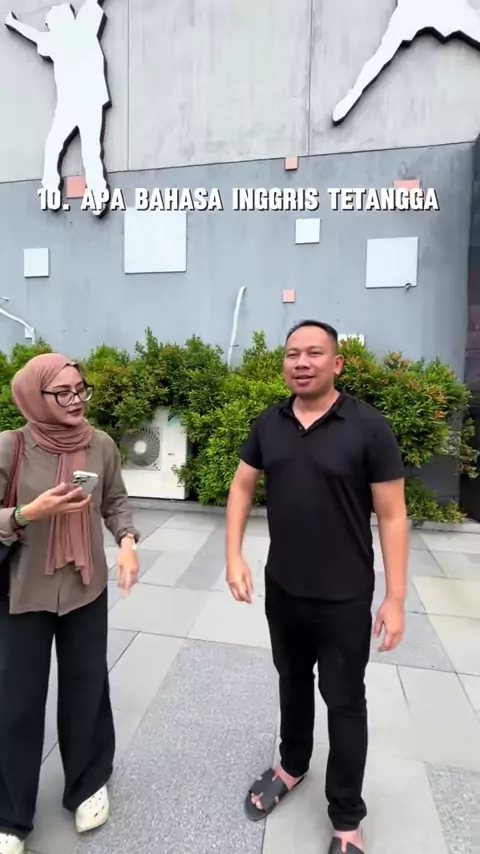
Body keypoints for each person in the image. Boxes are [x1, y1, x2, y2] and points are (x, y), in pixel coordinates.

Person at [226, 321, 408, 854]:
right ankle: (292, 765)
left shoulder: (368, 427)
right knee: (292, 680)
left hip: (344, 595)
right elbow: (242, 486)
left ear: (336, 363)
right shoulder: (270, 422)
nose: (301, 363)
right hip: (284, 587)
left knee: (345, 700)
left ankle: (347, 819)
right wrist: (233, 554)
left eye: (313, 353)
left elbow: (393, 515)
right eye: (292, 354)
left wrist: (395, 597)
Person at [0, 353, 140, 854]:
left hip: (85, 588)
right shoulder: (11, 446)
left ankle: (87, 784)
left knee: (87, 688)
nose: (77, 399)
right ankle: (11, 814)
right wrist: (26, 513)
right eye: (63, 392)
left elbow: (115, 501)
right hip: (24, 592)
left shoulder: (100, 445)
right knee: (16, 701)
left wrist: (127, 542)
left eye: (81, 389)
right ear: (35, 396)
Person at [4, 1, 110, 209]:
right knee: (60, 147)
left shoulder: (81, 27)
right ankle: (55, 190)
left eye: (50, 21)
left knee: (83, 149)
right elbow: (34, 35)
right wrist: (14, 24)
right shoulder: (60, 37)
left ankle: (91, 192)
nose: (48, 25)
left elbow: (35, 34)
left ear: (60, 21)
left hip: (86, 102)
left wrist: (15, 24)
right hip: (72, 105)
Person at [333, 0, 480, 124]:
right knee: (383, 54)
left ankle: (351, 97)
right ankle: (352, 96)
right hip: (417, 11)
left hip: (441, 8)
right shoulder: (407, 16)